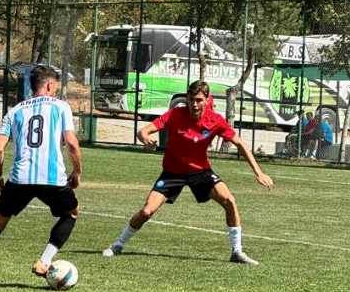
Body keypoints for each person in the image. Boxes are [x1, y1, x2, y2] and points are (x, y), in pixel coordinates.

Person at [102, 80, 274, 265]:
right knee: (147, 211)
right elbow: (144, 131)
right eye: (191, 99)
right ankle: (117, 245)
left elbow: (239, 143)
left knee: (230, 201)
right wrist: (145, 138)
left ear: (207, 100)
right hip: (172, 172)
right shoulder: (175, 114)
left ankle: (237, 252)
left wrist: (259, 172)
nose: (194, 104)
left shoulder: (215, 120)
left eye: (199, 100)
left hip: (201, 172)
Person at [0, 66, 83, 288]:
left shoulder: (15, 110)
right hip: (52, 179)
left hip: (20, 179)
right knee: (71, 213)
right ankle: (44, 260)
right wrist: (76, 173)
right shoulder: (60, 107)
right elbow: (72, 144)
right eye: (55, 85)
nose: (55, 89)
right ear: (49, 85)